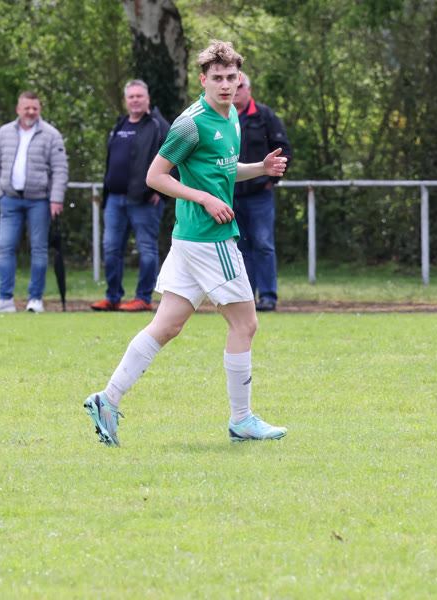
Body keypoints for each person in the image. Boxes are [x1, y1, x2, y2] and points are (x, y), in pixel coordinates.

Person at [82, 40, 289, 447]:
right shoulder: (190, 124)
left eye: (231, 78)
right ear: (202, 80)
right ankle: (242, 420)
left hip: (189, 240)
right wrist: (205, 199)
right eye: (217, 78)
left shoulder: (231, 116)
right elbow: (155, 176)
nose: (225, 85)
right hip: (210, 239)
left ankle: (107, 399)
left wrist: (259, 168)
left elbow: (222, 170)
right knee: (245, 324)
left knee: (166, 326)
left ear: (240, 79)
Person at [0, 91, 69, 313]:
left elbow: (60, 169)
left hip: (40, 201)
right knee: (5, 247)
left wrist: (56, 199)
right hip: (9, 200)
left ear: (40, 109)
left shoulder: (51, 134)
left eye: (35, 108)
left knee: (39, 249)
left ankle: (35, 299)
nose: (31, 112)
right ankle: (5, 299)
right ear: (18, 109)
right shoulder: (4, 132)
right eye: (27, 108)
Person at [91, 80, 170, 313]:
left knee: (147, 249)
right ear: (126, 100)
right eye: (131, 97)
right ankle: (112, 297)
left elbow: (176, 156)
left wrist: (161, 190)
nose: (135, 100)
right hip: (115, 199)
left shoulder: (158, 125)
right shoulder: (120, 125)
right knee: (111, 248)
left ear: (147, 99)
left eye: (139, 96)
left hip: (144, 201)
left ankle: (143, 298)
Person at [232, 73, 293, 312]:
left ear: (249, 89)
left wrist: (271, 180)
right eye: (233, 85)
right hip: (231, 195)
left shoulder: (265, 116)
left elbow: (284, 151)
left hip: (259, 195)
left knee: (264, 244)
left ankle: (268, 296)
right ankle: (246, 297)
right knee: (240, 247)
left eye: (240, 86)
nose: (235, 90)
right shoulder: (222, 116)